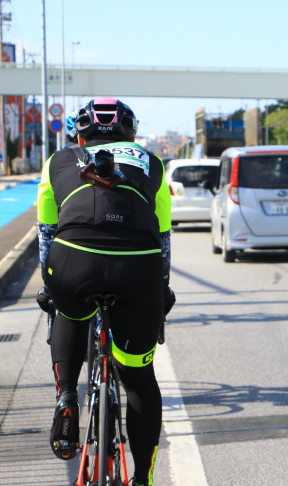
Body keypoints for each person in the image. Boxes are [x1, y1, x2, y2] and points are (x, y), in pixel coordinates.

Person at [36, 97, 174, 486]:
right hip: (138, 266)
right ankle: (143, 479)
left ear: (81, 134)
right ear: (130, 134)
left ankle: (66, 398)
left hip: (74, 259)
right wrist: (159, 291)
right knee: (139, 379)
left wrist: (52, 287)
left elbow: (48, 234)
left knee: (69, 309)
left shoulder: (59, 160)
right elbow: (161, 238)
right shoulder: (152, 163)